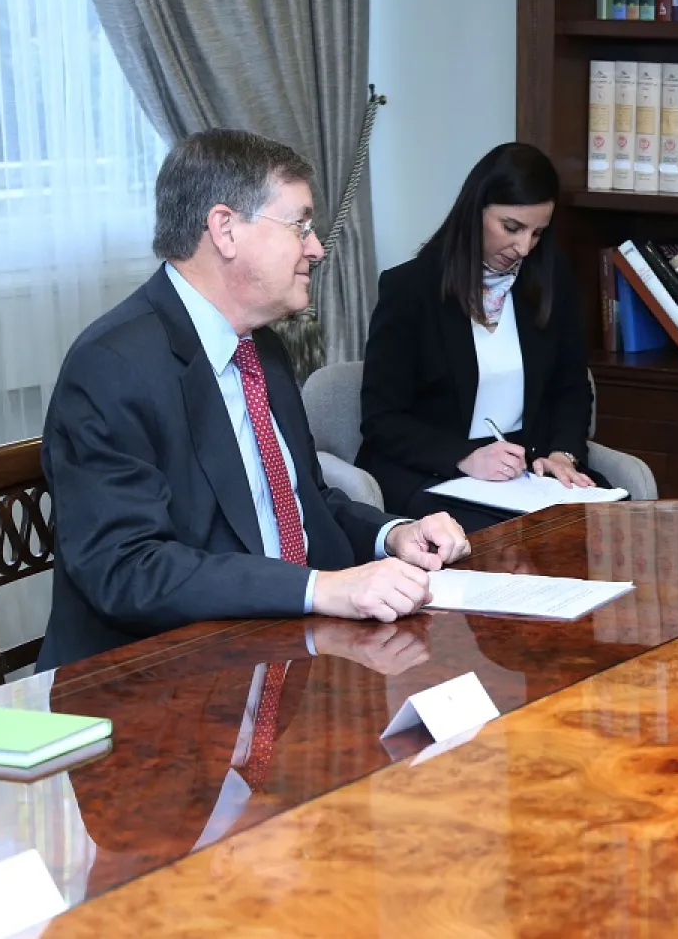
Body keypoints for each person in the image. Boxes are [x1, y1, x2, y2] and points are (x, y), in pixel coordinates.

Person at [38, 129, 471, 670]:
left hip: (274, 657)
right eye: (300, 225)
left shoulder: (260, 347)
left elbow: (299, 499)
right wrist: (320, 589)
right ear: (225, 229)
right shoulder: (110, 367)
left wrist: (394, 534)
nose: (316, 247)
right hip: (152, 681)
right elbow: (129, 569)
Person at [357, 142, 600, 534]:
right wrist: (464, 457)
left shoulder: (550, 276)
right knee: (498, 537)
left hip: (525, 471)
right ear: (476, 211)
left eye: (538, 233)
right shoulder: (411, 288)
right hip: (433, 470)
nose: (523, 247)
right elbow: (382, 419)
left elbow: (571, 386)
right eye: (512, 227)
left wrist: (563, 453)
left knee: (609, 520)